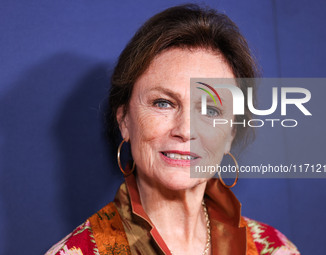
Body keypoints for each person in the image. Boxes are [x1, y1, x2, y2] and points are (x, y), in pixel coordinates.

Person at [46, 4, 300, 255]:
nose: (185, 130)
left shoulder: (275, 248)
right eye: (163, 103)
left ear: (230, 134)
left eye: (211, 111)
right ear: (125, 121)